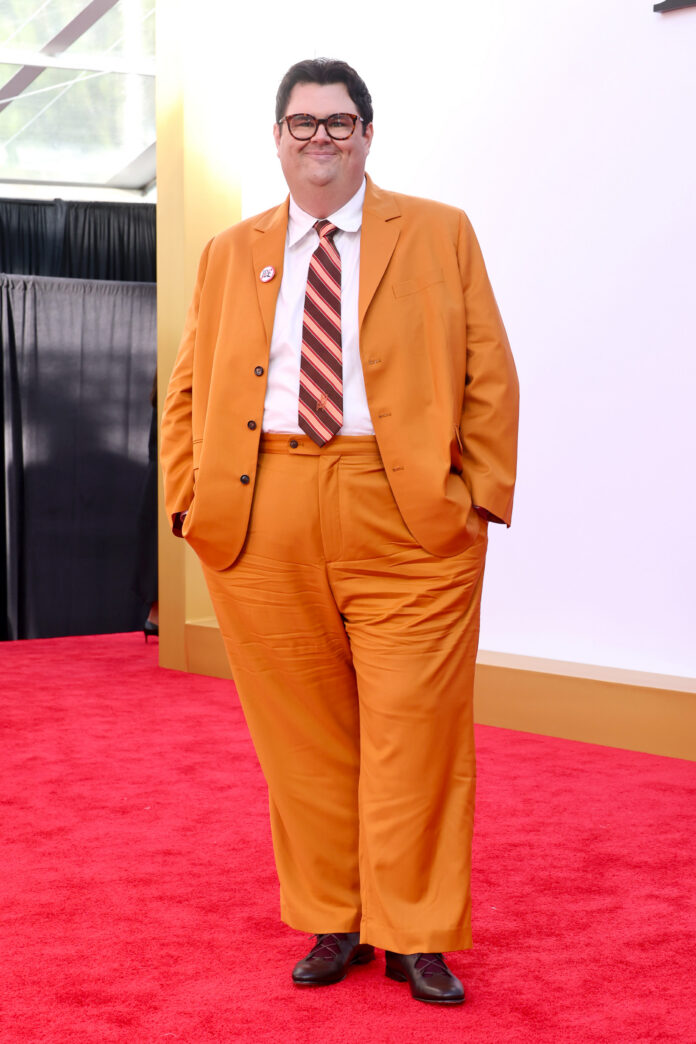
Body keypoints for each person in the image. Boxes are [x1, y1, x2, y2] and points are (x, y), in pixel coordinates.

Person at [161, 58, 519, 1005]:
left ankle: (418, 933)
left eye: (339, 122)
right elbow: (189, 385)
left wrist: (473, 498)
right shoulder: (231, 251)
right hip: (260, 505)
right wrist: (186, 504)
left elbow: (489, 367)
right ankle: (336, 918)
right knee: (304, 742)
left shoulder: (439, 232)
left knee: (418, 736)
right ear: (277, 137)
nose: (321, 137)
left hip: (404, 514)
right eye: (303, 122)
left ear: (368, 134)